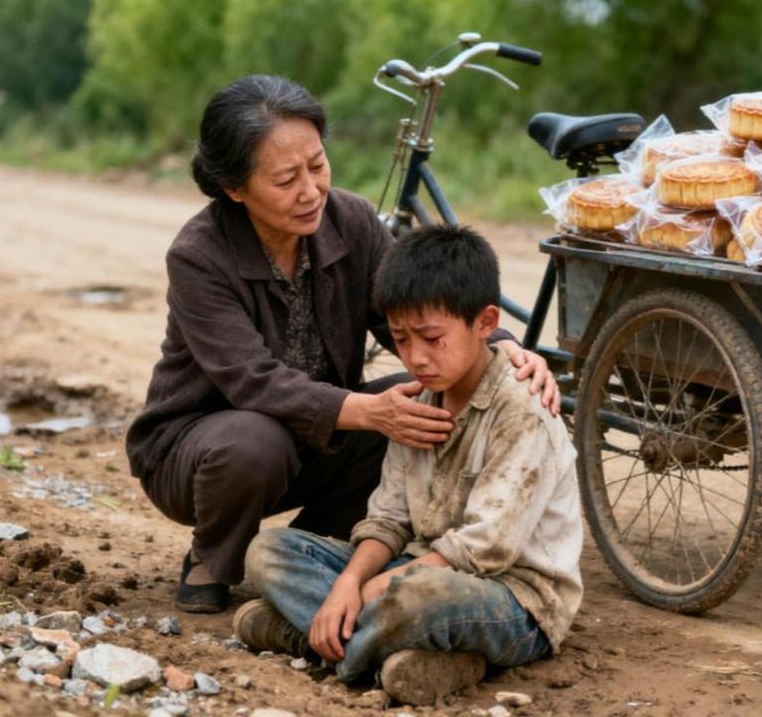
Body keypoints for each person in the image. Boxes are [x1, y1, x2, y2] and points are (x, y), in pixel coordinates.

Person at [124, 74, 559, 614]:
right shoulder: (198, 255)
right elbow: (251, 380)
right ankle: (213, 558)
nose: (310, 191)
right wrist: (369, 411)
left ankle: (309, 550)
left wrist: (504, 348)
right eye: (286, 179)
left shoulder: (352, 222)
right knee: (257, 439)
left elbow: (417, 310)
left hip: (316, 439)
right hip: (203, 455)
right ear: (235, 188)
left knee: (421, 403)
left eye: (317, 165)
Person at [234, 224, 583, 707]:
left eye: (432, 338)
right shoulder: (417, 402)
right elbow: (389, 519)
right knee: (268, 550)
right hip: (413, 567)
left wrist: (368, 591)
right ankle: (399, 654)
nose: (415, 357)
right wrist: (349, 583)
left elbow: (486, 549)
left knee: (420, 598)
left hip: (512, 598)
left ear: (485, 322)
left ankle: (322, 644)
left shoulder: (522, 411)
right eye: (399, 339)